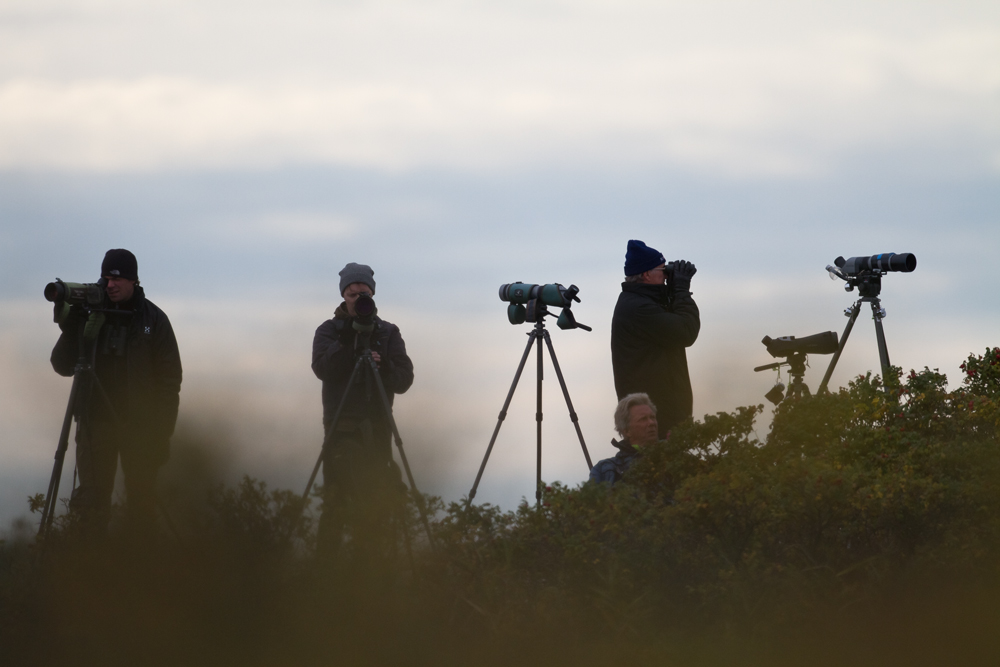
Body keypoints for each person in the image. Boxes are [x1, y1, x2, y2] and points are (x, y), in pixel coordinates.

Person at [50, 249, 182, 535]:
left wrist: (161, 434)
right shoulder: (90, 314)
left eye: (117, 279)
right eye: (106, 278)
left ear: (134, 281)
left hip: (140, 426)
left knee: (141, 506)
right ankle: (90, 570)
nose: (110, 284)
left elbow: (169, 382)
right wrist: (73, 326)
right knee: (91, 506)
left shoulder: (155, 320)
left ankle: (137, 571)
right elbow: (61, 365)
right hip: (95, 422)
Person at [311, 262, 414, 557]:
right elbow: (322, 369)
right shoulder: (330, 331)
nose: (359, 299)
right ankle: (325, 572)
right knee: (337, 506)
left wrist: (382, 366)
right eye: (353, 293)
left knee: (380, 503)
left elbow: (404, 380)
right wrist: (348, 344)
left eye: (364, 293)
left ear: (373, 294)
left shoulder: (388, 332)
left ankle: (373, 570)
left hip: (379, 430)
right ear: (344, 295)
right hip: (341, 431)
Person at [611, 239, 700, 439]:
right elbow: (686, 331)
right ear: (646, 275)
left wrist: (674, 290)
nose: (666, 274)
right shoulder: (638, 309)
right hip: (651, 418)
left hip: (660, 413)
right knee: (659, 469)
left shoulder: (642, 303)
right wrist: (681, 291)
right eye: (662, 269)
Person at [589, 393, 660, 484]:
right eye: (643, 419)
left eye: (652, 417)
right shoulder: (604, 470)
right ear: (627, 431)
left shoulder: (673, 453)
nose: (651, 423)